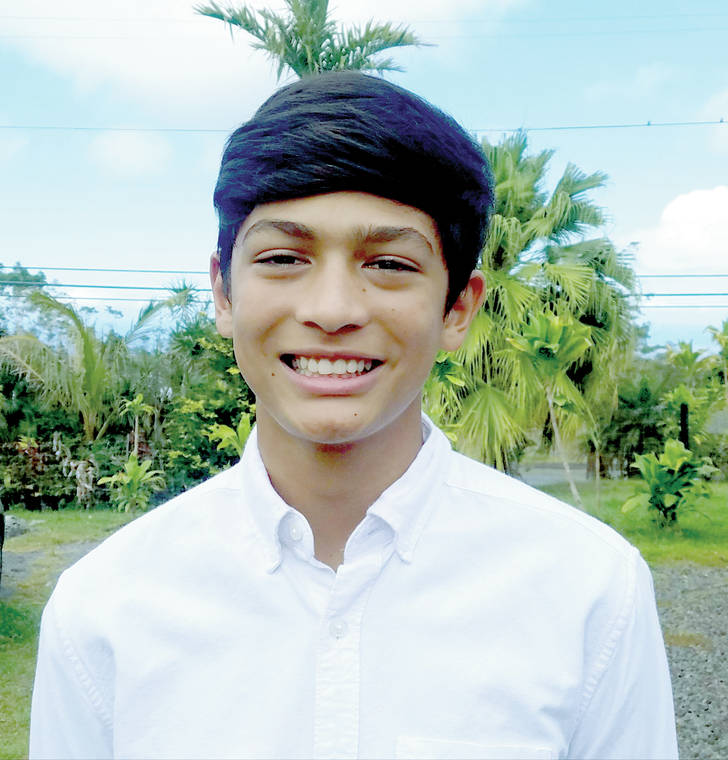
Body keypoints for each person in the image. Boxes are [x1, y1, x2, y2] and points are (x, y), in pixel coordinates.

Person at [29, 72, 678, 759]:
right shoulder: (104, 607)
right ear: (223, 292)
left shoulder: (589, 589)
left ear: (457, 308)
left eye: (389, 263)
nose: (333, 309)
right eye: (283, 257)